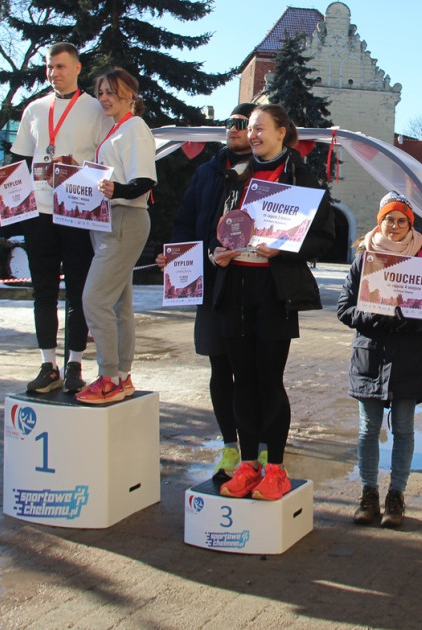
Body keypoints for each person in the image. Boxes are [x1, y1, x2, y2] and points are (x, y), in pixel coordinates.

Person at [210, 104, 335, 501]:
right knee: (241, 381)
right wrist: (218, 254)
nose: (253, 134)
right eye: (250, 128)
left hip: (273, 292)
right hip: (234, 288)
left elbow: (323, 239)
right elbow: (221, 230)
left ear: (283, 131)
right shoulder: (236, 175)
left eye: (261, 128)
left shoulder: (302, 177)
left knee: (269, 380)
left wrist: (283, 249)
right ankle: (248, 465)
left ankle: (276, 468)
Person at [159, 102, 256, 480]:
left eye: (242, 123)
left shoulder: (266, 174)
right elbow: (184, 220)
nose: (232, 128)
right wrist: (176, 255)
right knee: (219, 366)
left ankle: (260, 448)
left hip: (249, 285)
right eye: (229, 123)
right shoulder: (207, 171)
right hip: (211, 284)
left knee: (252, 372)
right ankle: (230, 447)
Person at [10, 42, 109, 395]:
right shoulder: (35, 109)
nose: (54, 73)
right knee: (43, 291)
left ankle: (74, 364)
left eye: (61, 67)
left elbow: (104, 160)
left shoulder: (96, 109)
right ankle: (47, 364)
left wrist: (78, 171)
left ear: (78, 68)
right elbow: (20, 161)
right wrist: (4, 193)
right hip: (39, 212)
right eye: (50, 67)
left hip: (77, 211)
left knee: (78, 292)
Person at [337, 192, 422, 528]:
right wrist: (374, 316)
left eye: (401, 220)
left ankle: (396, 497)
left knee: (404, 430)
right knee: (367, 430)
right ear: (380, 222)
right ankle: (369, 494)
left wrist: (408, 318)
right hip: (370, 356)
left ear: (410, 224)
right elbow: (344, 309)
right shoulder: (364, 260)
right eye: (389, 219)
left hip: (408, 358)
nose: (394, 226)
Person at [74, 68, 157, 404]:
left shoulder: (134, 128)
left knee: (94, 299)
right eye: (102, 92)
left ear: (130, 95)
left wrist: (115, 189)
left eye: (112, 91)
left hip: (124, 218)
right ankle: (122, 377)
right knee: (120, 304)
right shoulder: (117, 129)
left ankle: (108, 376)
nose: (105, 98)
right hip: (111, 220)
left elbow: (145, 181)